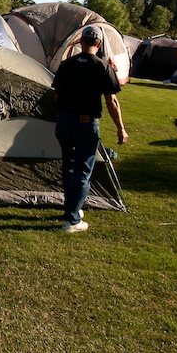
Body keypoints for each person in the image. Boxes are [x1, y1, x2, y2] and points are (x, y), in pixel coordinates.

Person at [52, 26, 128, 233]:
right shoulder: (102, 67)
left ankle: (72, 207)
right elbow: (112, 100)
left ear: (81, 42)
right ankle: (72, 220)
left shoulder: (66, 65)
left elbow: (56, 96)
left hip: (64, 122)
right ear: (99, 44)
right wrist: (121, 128)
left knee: (68, 167)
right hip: (85, 123)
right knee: (83, 171)